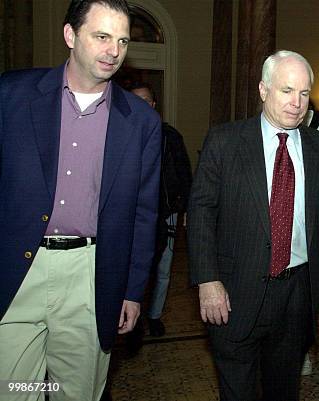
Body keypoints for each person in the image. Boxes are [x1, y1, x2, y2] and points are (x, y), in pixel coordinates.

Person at [0, 1, 161, 400]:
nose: (113, 51)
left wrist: (132, 290)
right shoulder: (12, 94)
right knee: (14, 390)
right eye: (102, 37)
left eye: (122, 41)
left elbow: (144, 215)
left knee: (77, 393)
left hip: (90, 275)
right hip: (18, 269)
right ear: (71, 36)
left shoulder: (141, 123)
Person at [188, 50, 319, 401]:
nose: (297, 102)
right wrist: (208, 280)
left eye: (304, 94)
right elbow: (201, 212)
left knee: (283, 389)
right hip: (233, 291)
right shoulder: (225, 142)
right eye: (287, 90)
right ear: (263, 90)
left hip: (296, 296)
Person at [130, 82, 192, 337]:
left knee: (163, 269)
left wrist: (186, 206)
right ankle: (132, 317)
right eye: (136, 100)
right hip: (132, 215)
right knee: (133, 267)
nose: (141, 105)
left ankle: (154, 316)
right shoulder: (119, 133)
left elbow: (184, 173)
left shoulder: (171, 136)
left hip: (166, 213)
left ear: (154, 105)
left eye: (146, 100)